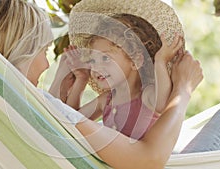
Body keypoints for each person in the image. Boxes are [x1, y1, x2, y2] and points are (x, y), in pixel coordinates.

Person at [0, 0, 204, 168]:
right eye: (43, 51)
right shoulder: (31, 104)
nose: (46, 64)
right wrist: (183, 88)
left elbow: (65, 119)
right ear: (24, 51)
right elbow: (148, 161)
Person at [50, 13, 184, 139]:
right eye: (92, 61)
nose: (96, 68)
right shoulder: (106, 100)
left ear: (135, 61)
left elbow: (162, 104)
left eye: (105, 58)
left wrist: (161, 61)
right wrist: (81, 80)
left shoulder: (145, 95)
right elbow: (72, 121)